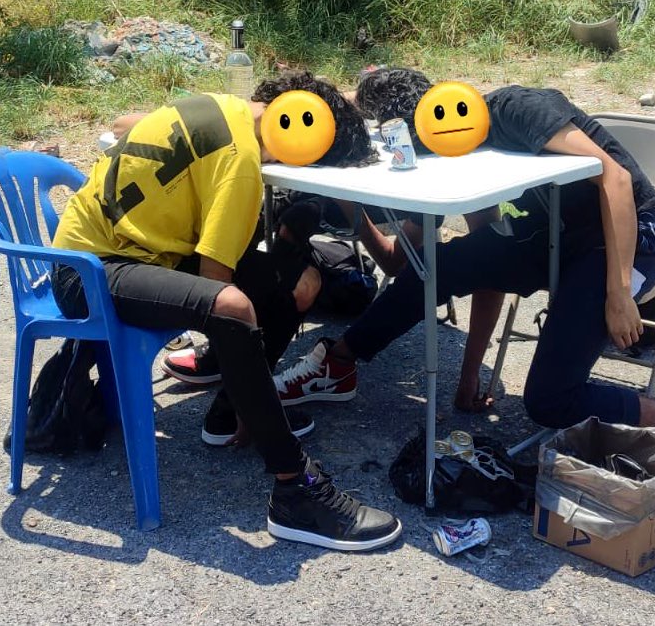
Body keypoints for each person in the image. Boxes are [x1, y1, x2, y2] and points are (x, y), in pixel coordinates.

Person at [270, 68, 655, 495]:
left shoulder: (517, 109)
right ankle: (339, 363)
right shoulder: (454, 149)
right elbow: (480, 258)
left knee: (548, 401)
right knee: (445, 265)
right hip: (551, 240)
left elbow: (615, 179)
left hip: (626, 239)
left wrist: (620, 293)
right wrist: (469, 379)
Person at [50, 71, 402, 550]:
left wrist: (246, 387)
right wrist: (247, 369)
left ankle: (226, 416)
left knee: (285, 287)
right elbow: (218, 284)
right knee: (235, 306)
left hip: (140, 252)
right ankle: (295, 487)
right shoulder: (241, 163)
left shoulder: (225, 107)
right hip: (89, 272)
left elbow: (128, 124)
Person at [163, 68, 505, 413]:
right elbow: (337, 102)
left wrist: (354, 212)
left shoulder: (445, 165)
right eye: (387, 131)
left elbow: (394, 261)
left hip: (354, 210)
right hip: (311, 194)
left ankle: (257, 363)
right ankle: (231, 352)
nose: (394, 144)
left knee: (294, 226)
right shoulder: (360, 120)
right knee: (256, 217)